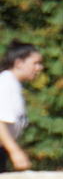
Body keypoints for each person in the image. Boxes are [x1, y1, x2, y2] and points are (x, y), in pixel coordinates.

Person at [0, 41, 41, 169]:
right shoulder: (5, 83)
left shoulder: (13, 84)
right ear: (19, 63)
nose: (40, 68)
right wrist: (15, 151)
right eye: (35, 63)